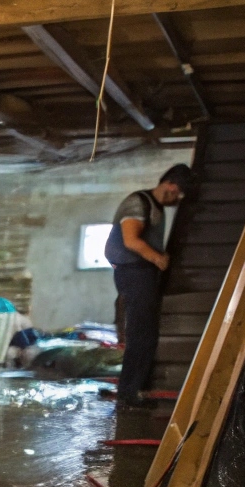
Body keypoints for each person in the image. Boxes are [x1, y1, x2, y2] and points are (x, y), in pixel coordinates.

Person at [106, 163, 192, 407]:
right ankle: (129, 392)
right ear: (171, 185)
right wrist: (158, 259)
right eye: (177, 194)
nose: (176, 200)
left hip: (142, 273)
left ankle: (134, 389)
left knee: (146, 333)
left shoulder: (156, 208)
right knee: (140, 333)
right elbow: (131, 240)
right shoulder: (138, 203)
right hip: (134, 273)